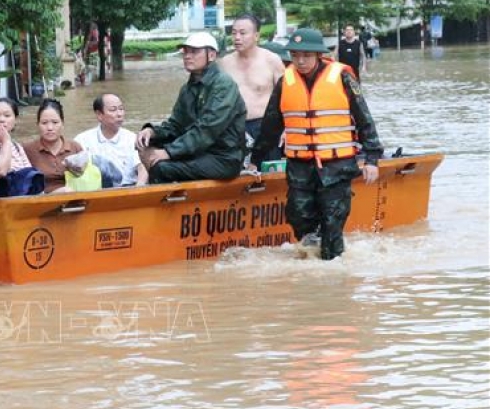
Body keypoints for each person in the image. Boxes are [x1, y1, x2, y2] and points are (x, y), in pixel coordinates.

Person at [250, 27, 383, 261]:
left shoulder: (342, 77)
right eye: (295, 55)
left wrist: (372, 158)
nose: (300, 61)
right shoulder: (285, 82)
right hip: (300, 167)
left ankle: (332, 275)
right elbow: (271, 126)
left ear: (318, 55)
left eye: (306, 56)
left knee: (332, 222)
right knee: (298, 215)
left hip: (336, 166)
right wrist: (255, 160)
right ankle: (311, 263)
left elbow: (364, 119)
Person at [135, 32, 247, 183]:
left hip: (223, 157)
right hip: (200, 152)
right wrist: (152, 132)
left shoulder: (223, 84)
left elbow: (207, 129)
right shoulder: (187, 89)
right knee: (147, 144)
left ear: (212, 55)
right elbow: (176, 125)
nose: (187, 56)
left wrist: (169, 152)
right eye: (186, 52)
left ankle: (170, 203)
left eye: (194, 51)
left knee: (162, 167)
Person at [219, 14, 286, 162]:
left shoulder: (272, 60)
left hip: (265, 125)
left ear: (256, 36)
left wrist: (286, 128)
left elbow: (287, 97)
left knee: (269, 174)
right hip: (235, 127)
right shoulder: (225, 63)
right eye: (234, 32)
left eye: (243, 33)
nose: (237, 37)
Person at [0, 98, 43, 197]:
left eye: (7, 115)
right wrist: (5, 141)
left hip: (21, 197)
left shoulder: (17, 146)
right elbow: (1, 171)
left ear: (15, 119)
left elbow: (29, 175)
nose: (1, 120)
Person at [74, 93, 148, 186]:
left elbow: (142, 167)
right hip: (97, 193)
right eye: (113, 110)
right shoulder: (82, 140)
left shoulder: (132, 139)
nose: (119, 114)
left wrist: (139, 187)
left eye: (121, 109)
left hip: (128, 189)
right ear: (99, 115)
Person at [23, 98, 84, 192]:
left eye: (55, 122)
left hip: (74, 201)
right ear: (37, 125)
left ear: (62, 124)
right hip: (42, 203)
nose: (50, 128)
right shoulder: (27, 150)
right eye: (44, 123)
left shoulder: (75, 147)